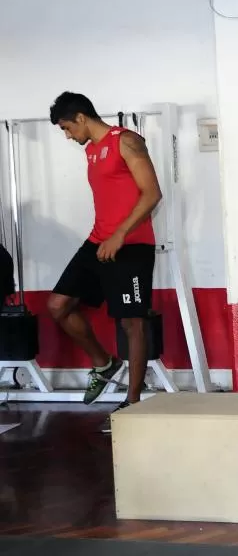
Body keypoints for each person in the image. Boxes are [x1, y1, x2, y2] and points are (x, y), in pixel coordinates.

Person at [46, 92, 162, 431]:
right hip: (99, 240)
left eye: (67, 128)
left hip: (132, 244)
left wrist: (120, 234)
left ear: (81, 118)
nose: (68, 136)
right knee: (57, 306)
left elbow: (152, 193)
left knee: (133, 323)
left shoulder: (126, 141)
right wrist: (108, 236)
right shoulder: (92, 151)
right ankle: (103, 362)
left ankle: (133, 401)